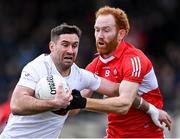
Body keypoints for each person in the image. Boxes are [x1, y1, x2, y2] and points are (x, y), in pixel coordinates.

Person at [0, 23, 170, 138]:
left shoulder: (81, 75)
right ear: (52, 46)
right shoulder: (37, 67)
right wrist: (54, 103)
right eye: (65, 44)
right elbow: (17, 104)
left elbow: (121, 92)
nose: (70, 50)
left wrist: (151, 109)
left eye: (75, 45)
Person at [65, 6, 172, 138]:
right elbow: (74, 107)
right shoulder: (95, 65)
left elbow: (123, 105)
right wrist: (53, 102)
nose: (100, 35)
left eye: (106, 30)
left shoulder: (134, 59)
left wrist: (82, 102)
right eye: (97, 30)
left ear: (121, 34)